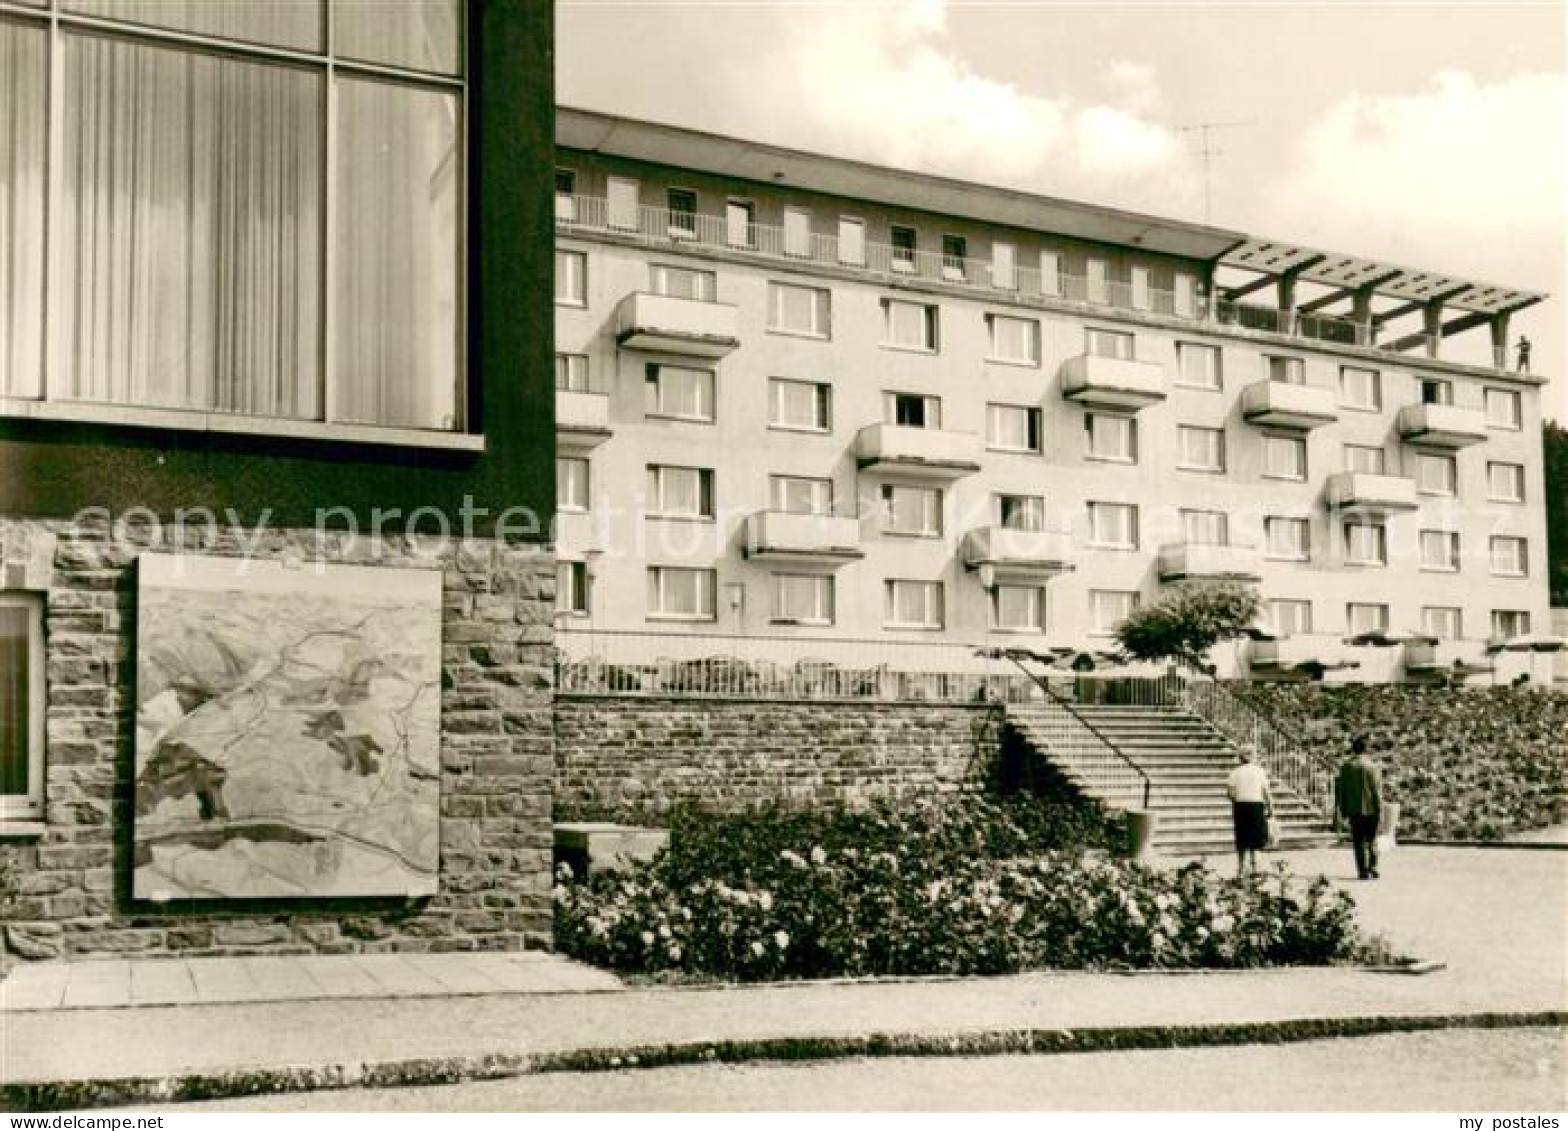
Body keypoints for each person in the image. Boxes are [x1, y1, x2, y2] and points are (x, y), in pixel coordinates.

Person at [1335, 736, 1385, 880]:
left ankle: (1362, 870)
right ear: (1366, 749)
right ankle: (1373, 867)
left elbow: (1341, 790)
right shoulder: (1372, 766)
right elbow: (1377, 790)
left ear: (1353, 749)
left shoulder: (1346, 767)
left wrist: (1342, 809)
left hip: (1354, 809)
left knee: (1358, 841)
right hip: (1371, 809)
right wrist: (1380, 809)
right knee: (1372, 839)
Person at [1226, 749, 1272, 878]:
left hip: (1241, 806)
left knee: (1242, 838)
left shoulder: (1235, 772)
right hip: (1256, 805)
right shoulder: (1259, 771)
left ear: (1240, 757)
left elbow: (1229, 794)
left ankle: (1240, 869)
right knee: (1256, 837)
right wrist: (1271, 809)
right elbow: (1266, 792)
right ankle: (1255, 867)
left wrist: (1237, 799)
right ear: (1253, 757)